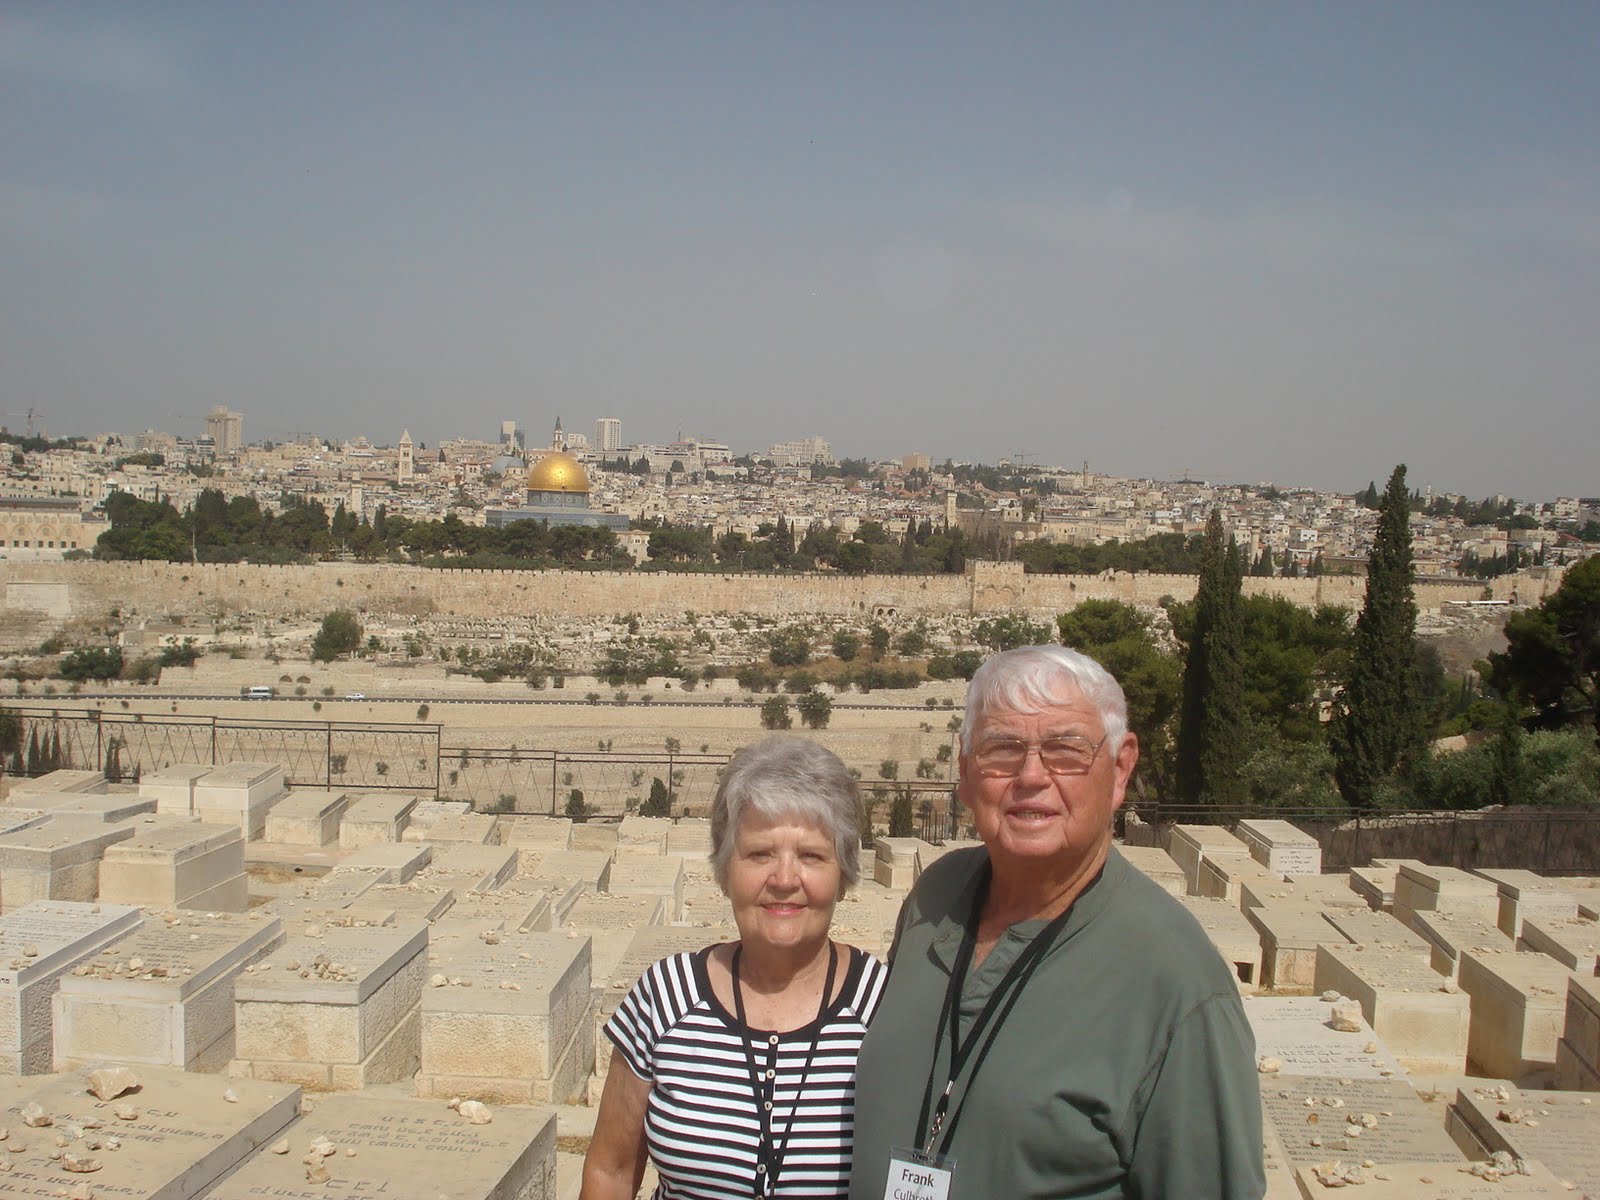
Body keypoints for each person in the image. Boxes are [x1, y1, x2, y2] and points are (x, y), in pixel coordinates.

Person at [849, 644, 1265, 1200]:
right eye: (1002, 748)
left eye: (1066, 750)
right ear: (966, 772)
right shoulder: (935, 897)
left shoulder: (1178, 984)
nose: (1031, 775)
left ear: (1121, 768)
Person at [582, 734, 888, 1200]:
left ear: (843, 873)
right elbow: (612, 1170)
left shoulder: (885, 1007)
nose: (784, 879)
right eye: (760, 853)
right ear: (725, 870)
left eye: (811, 855)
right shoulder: (665, 997)